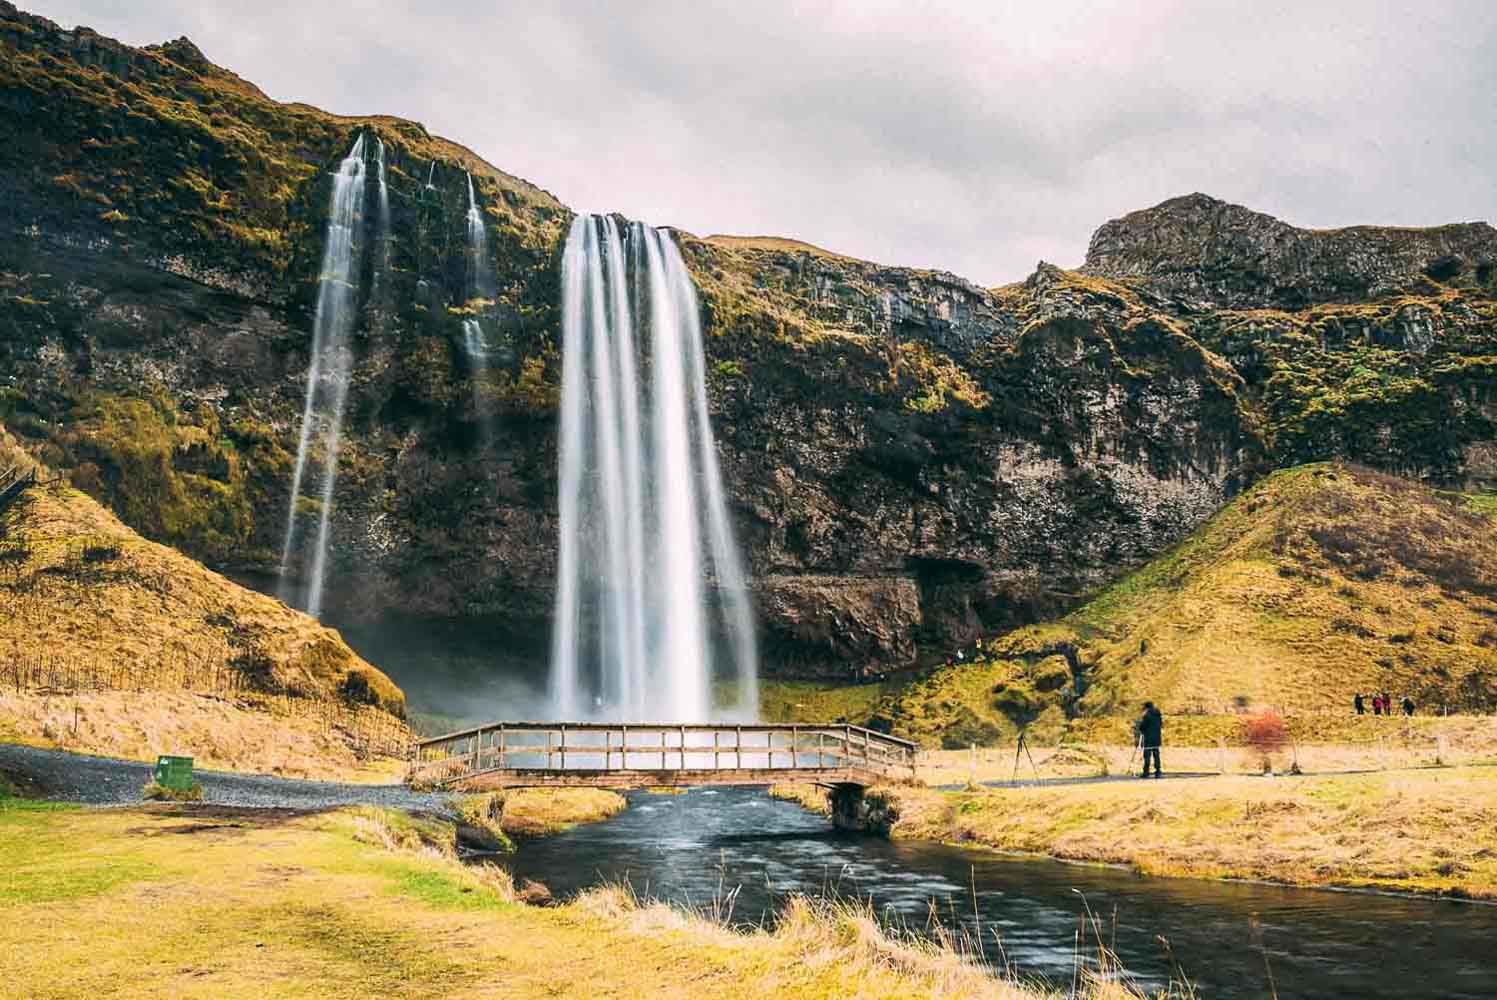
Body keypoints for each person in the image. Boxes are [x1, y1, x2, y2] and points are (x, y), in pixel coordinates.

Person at [1136, 701, 1164, 778]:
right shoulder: (1158, 715)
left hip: (1148, 738)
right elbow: (1161, 724)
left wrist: (1140, 728)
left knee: (1147, 755)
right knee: (1156, 755)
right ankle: (1158, 771)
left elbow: (1143, 726)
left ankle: (1146, 771)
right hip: (1157, 737)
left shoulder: (1146, 715)